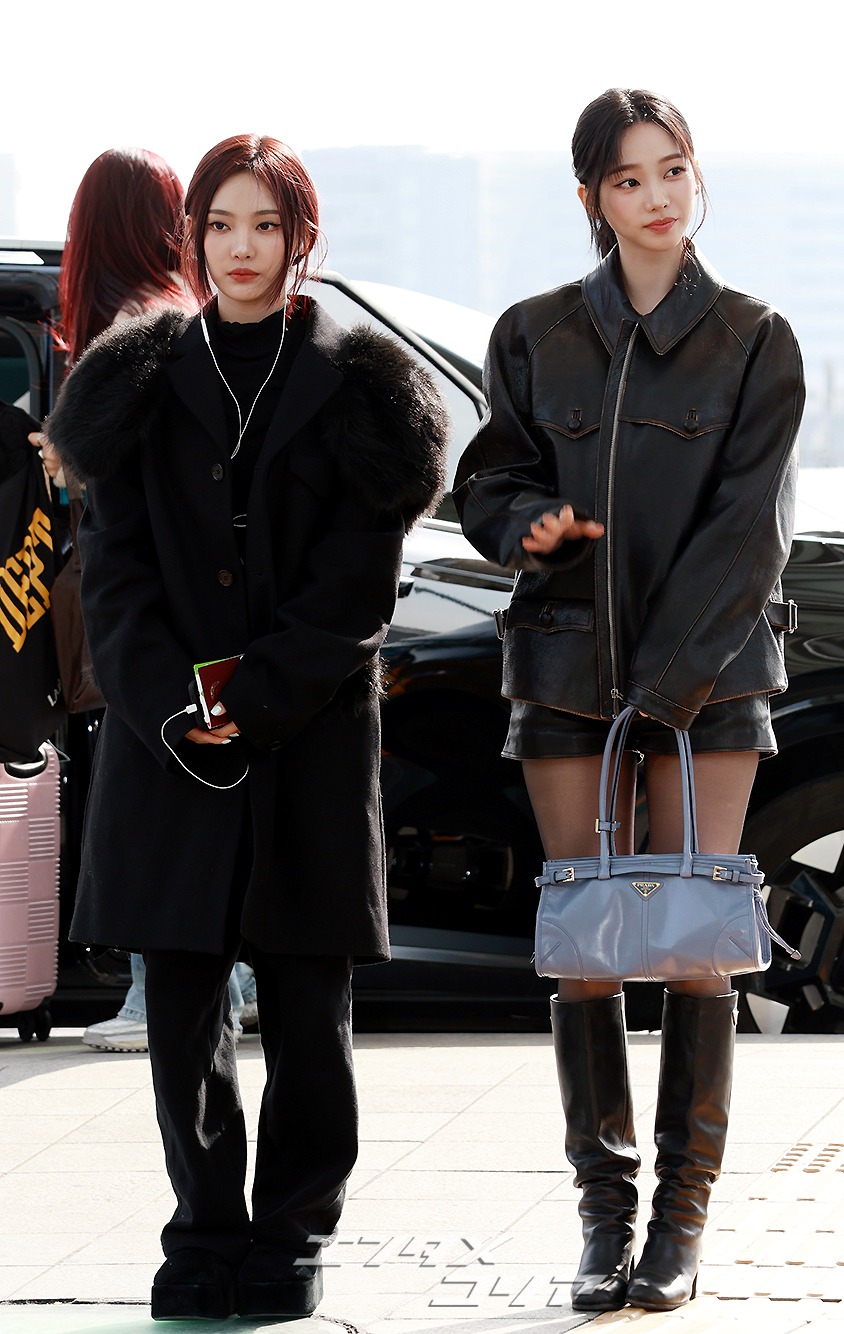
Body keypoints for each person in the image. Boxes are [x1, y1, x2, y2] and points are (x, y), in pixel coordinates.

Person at [48, 133, 447, 1321]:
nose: (240, 247)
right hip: (166, 742)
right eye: (220, 224)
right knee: (181, 1007)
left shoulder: (364, 386)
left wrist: (256, 695)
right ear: (193, 237)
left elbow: (358, 584)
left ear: (299, 238)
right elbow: (113, 572)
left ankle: (293, 1235)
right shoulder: (133, 383)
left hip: (307, 736)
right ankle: (203, 1231)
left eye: (264, 225)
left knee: (310, 1008)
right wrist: (176, 701)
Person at [453, 89, 803, 1314]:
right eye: (628, 178)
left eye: (673, 169)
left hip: (708, 684)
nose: (658, 196)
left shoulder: (757, 339)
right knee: (588, 955)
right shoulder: (533, 333)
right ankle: (604, 1219)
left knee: (698, 949)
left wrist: (663, 690)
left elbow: (750, 531)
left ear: (696, 176)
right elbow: (489, 479)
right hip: (561, 673)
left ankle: (679, 1224)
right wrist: (526, 524)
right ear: (591, 198)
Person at [30, 147, 257, 1054]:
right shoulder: (186, 312)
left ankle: (162, 997)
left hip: (151, 603)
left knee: (149, 796)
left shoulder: (133, 326)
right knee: (189, 792)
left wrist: (62, 454)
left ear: (95, 226)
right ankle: (225, 986)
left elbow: (121, 478)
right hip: (198, 599)